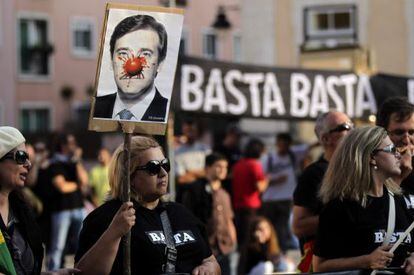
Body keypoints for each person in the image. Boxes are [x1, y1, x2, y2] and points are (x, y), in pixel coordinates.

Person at [74, 136, 220, 274]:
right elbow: (84, 273)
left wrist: (209, 267)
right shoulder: (106, 217)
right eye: (153, 167)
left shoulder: (181, 213)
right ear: (129, 176)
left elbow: (210, 260)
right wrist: (114, 233)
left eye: (165, 165)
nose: (163, 173)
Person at [313, 126, 414, 272]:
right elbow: (319, 266)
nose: (398, 154)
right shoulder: (340, 207)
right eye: (391, 149)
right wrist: (365, 261)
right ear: (371, 157)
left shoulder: (399, 199)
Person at [0, 126, 78, 275]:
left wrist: (51, 274)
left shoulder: (21, 210)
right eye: (21, 156)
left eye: (29, 158)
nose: (28, 164)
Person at [292, 110, 352, 272]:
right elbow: (298, 226)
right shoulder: (314, 174)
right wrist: (346, 217)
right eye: (345, 127)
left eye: (352, 125)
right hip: (326, 264)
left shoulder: (358, 171)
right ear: (325, 138)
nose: (352, 131)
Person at [93, 14, 168, 122]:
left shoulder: (169, 117)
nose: (132, 65)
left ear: (160, 64)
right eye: (123, 53)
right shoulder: (95, 111)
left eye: (145, 54)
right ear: (111, 60)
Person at [182, 153, 237, 275]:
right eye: (218, 166)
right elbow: (187, 220)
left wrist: (233, 241)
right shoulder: (194, 190)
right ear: (207, 168)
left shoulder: (225, 194)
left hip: (224, 248)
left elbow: (229, 220)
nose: (223, 170)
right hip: (205, 250)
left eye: (225, 167)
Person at [261, 132, 310, 253]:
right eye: (281, 144)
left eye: (286, 145)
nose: (283, 147)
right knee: (269, 226)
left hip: (287, 198)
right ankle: (267, 251)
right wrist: (275, 180)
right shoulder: (269, 158)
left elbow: (310, 146)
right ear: (277, 144)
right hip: (270, 199)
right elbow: (261, 178)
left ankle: (281, 251)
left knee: (282, 227)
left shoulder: (293, 154)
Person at [47, 134, 88, 271]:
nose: (73, 146)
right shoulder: (55, 163)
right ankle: (53, 272)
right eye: (70, 143)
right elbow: (62, 187)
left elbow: (84, 180)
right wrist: (77, 185)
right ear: (63, 145)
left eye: (74, 142)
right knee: (58, 246)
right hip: (61, 209)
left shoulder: (74, 162)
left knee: (82, 244)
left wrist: (77, 161)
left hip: (79, 208)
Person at [232, 138, 268, 251]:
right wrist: (268, 180)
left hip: (238, 205)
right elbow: (260, 187)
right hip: (251, 205)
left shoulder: (238, 165)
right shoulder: (255, 165)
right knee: (250, 238)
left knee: (241, 237)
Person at [376, 97, 414, 190]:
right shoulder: (369, 168)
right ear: (381, 133)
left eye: (412, 132)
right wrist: (397, 178)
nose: (406, 140)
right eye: (399, 132)